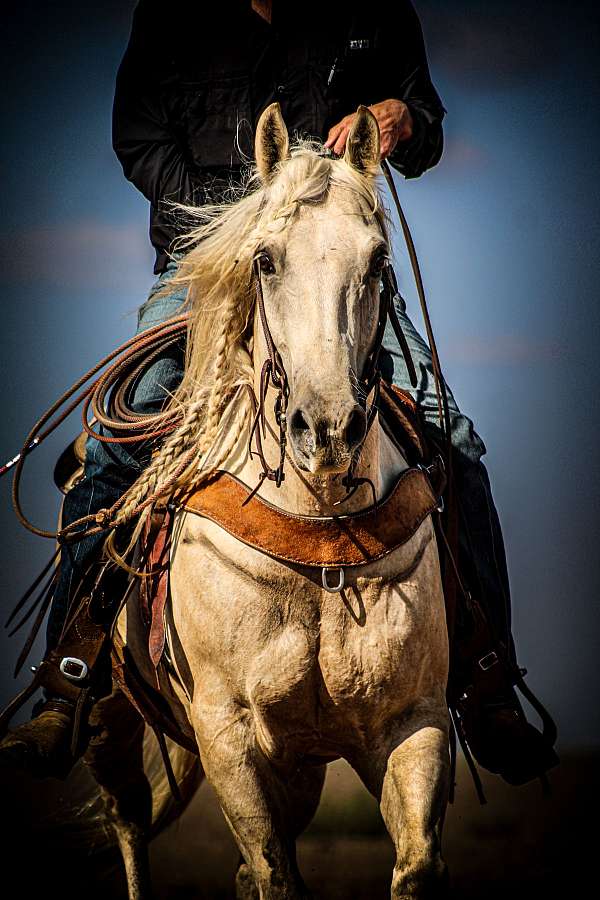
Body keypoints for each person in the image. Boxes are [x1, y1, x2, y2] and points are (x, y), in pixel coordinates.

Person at [0, 0, 557, 785]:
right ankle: (69, 681)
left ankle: (489, 686)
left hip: (336, 269)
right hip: (206, 259)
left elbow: (423, 124)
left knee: (451, 437)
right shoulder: (170, 11)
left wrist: (402, 117)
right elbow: (138, 136)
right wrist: (230, 221)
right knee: (120, 440)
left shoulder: (372, 5)